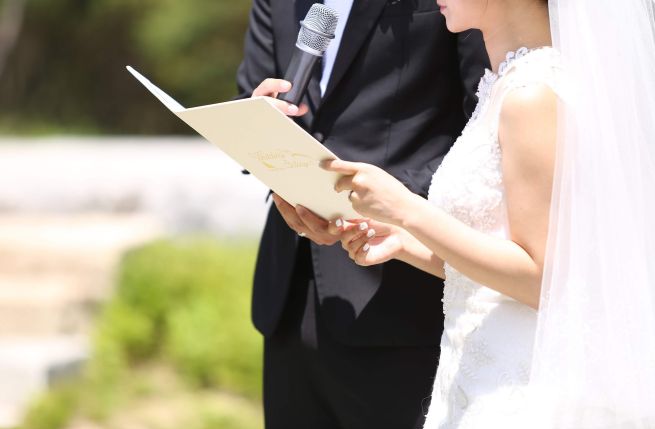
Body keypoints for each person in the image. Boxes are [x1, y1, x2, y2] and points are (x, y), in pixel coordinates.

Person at [324, 0, 655, 427]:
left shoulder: (533, 97)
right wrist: (404, 242)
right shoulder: (505, 84)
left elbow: (545, 281)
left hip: (521, 389)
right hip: (472, 374)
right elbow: (498, 264)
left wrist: (407, 210)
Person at [235, 1, 489, 428]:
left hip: (403, 294)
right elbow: (248, 102)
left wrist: (368, 200)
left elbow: (484, 127)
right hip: (289, 293)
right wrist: (257, 129)